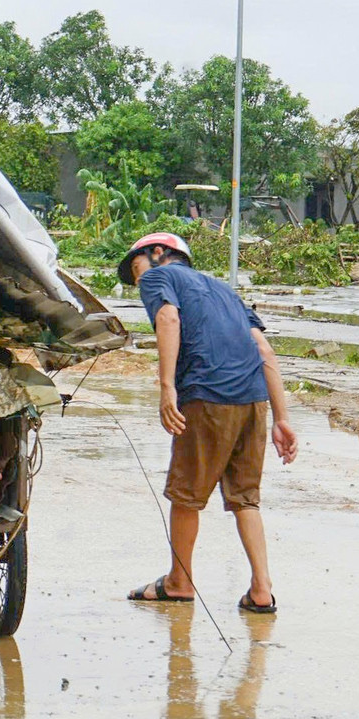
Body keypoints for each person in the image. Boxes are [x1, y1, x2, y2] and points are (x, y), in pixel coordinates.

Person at [118, 231, 298, 613]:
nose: (139, 282)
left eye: (136, 270)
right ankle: (261, 590)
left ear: (157, 253)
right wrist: (281, 418)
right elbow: (264, 349)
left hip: (207, 397)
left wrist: (167, 387)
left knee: (185, 495)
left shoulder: (158, 278)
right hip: (254, 402)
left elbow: (168, 318)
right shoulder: (224, 290)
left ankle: (179, 582)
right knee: (245, 499)